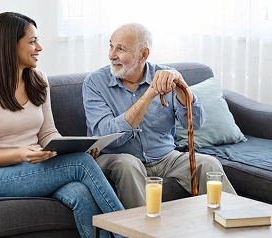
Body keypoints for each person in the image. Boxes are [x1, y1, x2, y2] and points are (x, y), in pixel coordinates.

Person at [0, 12, 145, 238]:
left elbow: (48, 133)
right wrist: (22, 154)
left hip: (35, 169)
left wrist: (72, 147)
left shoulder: (38, 79)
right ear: (9, 45)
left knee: (79, 191)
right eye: (32, 41)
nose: (39, 47)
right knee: (81, 163)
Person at [82, 23, 237, 209]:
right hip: (117, 157)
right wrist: (149, 95)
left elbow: (195, 124)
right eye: (111, 46)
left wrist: (182, 87)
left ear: (144, 54)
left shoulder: (166, 76)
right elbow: (104, 137)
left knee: (208, 163)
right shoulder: (95, 83)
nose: (111, 55)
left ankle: (236, 224)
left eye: (120, 49)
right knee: (128, 164)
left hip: (165, 158)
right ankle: (143, 235)